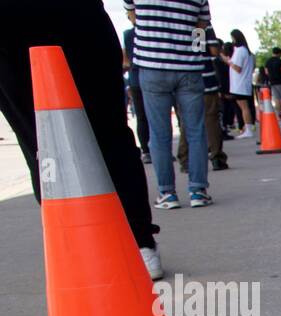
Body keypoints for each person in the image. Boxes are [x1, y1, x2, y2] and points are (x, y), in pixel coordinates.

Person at [0, 0, 162, 276]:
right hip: (11, 25)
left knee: (107, 132)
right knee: (41, 145)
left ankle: (138, 239)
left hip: (75, 16)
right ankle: (76, 245)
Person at [126, 0, 212, 209]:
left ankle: (167, 193)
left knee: (159, 134)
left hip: (152, 65)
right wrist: (194, 54)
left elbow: (132, 16)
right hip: (189, 68)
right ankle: (198, 190)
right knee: (195, 131)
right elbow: (201, 26)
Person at [178, 26, 227, 172]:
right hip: (203, 77)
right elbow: (202, 50)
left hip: (182, 79)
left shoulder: (174, 17)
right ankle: (217, 157)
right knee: (211, 120)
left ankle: (185, 160)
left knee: (186, 121)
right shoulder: (200, 25)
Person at [122, 24, 150, 163]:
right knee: (156, 117)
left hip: (134, 79)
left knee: (141, 117)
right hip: (150, 77)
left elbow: (125, 61)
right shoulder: (148, 29)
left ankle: (145, 150)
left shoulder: (127, 34)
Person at [222, 29, 255, 139]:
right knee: (244, 107)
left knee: (244, 107)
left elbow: (238, 68)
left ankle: (248, 129)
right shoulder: (246, 51)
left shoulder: (240, 51)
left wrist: (227, 61)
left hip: (240, 84)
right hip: (243, 83)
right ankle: (248, 128)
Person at [265, 46, 281, 118]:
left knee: (277, 98)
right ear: (279, 53)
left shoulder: (268, 61)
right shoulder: (280, 61)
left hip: (273, 82)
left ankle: (278, 113)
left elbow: (266, 72)